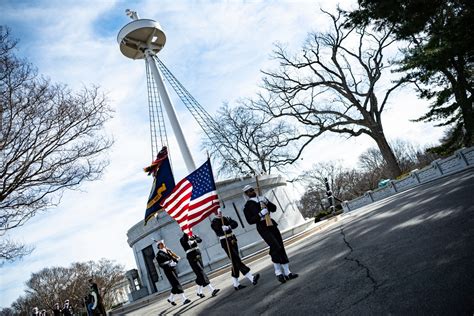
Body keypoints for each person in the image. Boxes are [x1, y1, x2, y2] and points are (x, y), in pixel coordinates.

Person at [242, 184, 298, 283]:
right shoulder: (247, 206)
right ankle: (278, 272)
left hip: (271, 224)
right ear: (246, 194)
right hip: (262, 226)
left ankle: (287, 272)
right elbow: (250, 221)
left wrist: (267, 202)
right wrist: (260, 214)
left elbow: (274, 208)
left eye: (252, 189)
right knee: (275, 246)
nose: (252, 191)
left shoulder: (262, 198)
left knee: (280, 246)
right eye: (249, 191)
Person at [210, 209, 260, 290]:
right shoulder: (214, 222)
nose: (219, 213)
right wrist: (221, 229)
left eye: (219, 212)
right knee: (236, 259)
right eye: (216, 212)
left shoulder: (226, 218)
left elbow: (235, 224)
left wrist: (228, 226)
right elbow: (217, 230)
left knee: (235, 261)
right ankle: (251, 278)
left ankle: (236, 284)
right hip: (225, 241)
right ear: (214, 213)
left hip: (232, 239)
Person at [179, 233, 220, 298]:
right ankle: (212, 289)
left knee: (200, 273)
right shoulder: (182, 239)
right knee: (200, 271)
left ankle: (199, 292)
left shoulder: (193, 235)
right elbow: (185, 240)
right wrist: (187, 236)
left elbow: (200, 240)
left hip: (197, 254)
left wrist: (194, 238)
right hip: (191, 256)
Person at [155, 240, 191, 306]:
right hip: (168, 270)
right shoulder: (158, 255)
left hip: (173, 268)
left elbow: (172, 258)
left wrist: (176, 260)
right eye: (160, 244)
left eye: (162, 243)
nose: (162, 245)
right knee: (177, 283)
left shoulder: (167, 251)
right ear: (158, 246)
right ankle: (184, 299)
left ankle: (170, 299)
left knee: (175, 285)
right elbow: (161, 265)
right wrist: (169, 265)